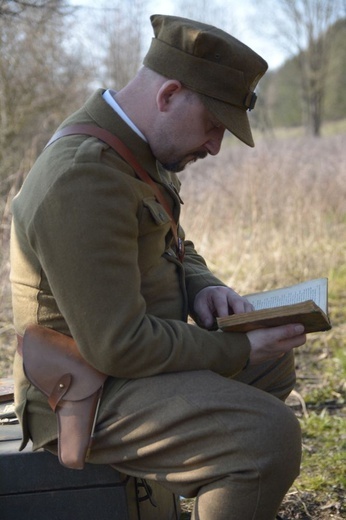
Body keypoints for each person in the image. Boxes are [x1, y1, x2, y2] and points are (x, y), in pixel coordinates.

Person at [10, 14, 306, 520]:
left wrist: (202, 288)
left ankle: (213, 480)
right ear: (168, 95)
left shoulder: (132, 152)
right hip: (82, 389)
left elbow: (171, 244)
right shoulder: (86, 176)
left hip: (120, 369)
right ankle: (235, 463)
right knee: (267, 438)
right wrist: (235, 345)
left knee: (271, 359)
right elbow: (117, 344)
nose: (215, 145)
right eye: (213, 125)